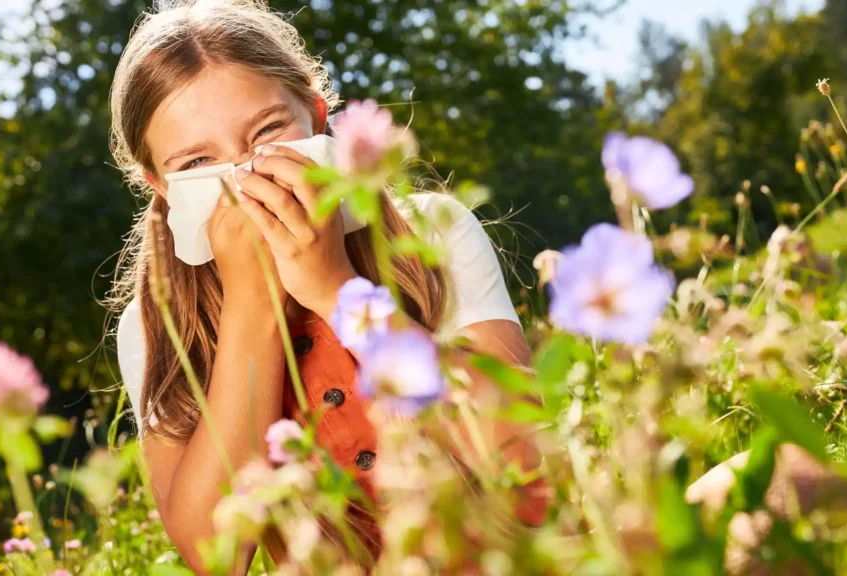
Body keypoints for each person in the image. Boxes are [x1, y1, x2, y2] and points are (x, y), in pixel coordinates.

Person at [109, 0, 543, 571]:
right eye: (197, 162)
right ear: (159, 185)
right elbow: (214, 553)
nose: (245, 175)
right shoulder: (154, 325)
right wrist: (251, 307)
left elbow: (522, 454)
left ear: (316, 115)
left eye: (267, 131)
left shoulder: (431, 232)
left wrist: (335, 289)